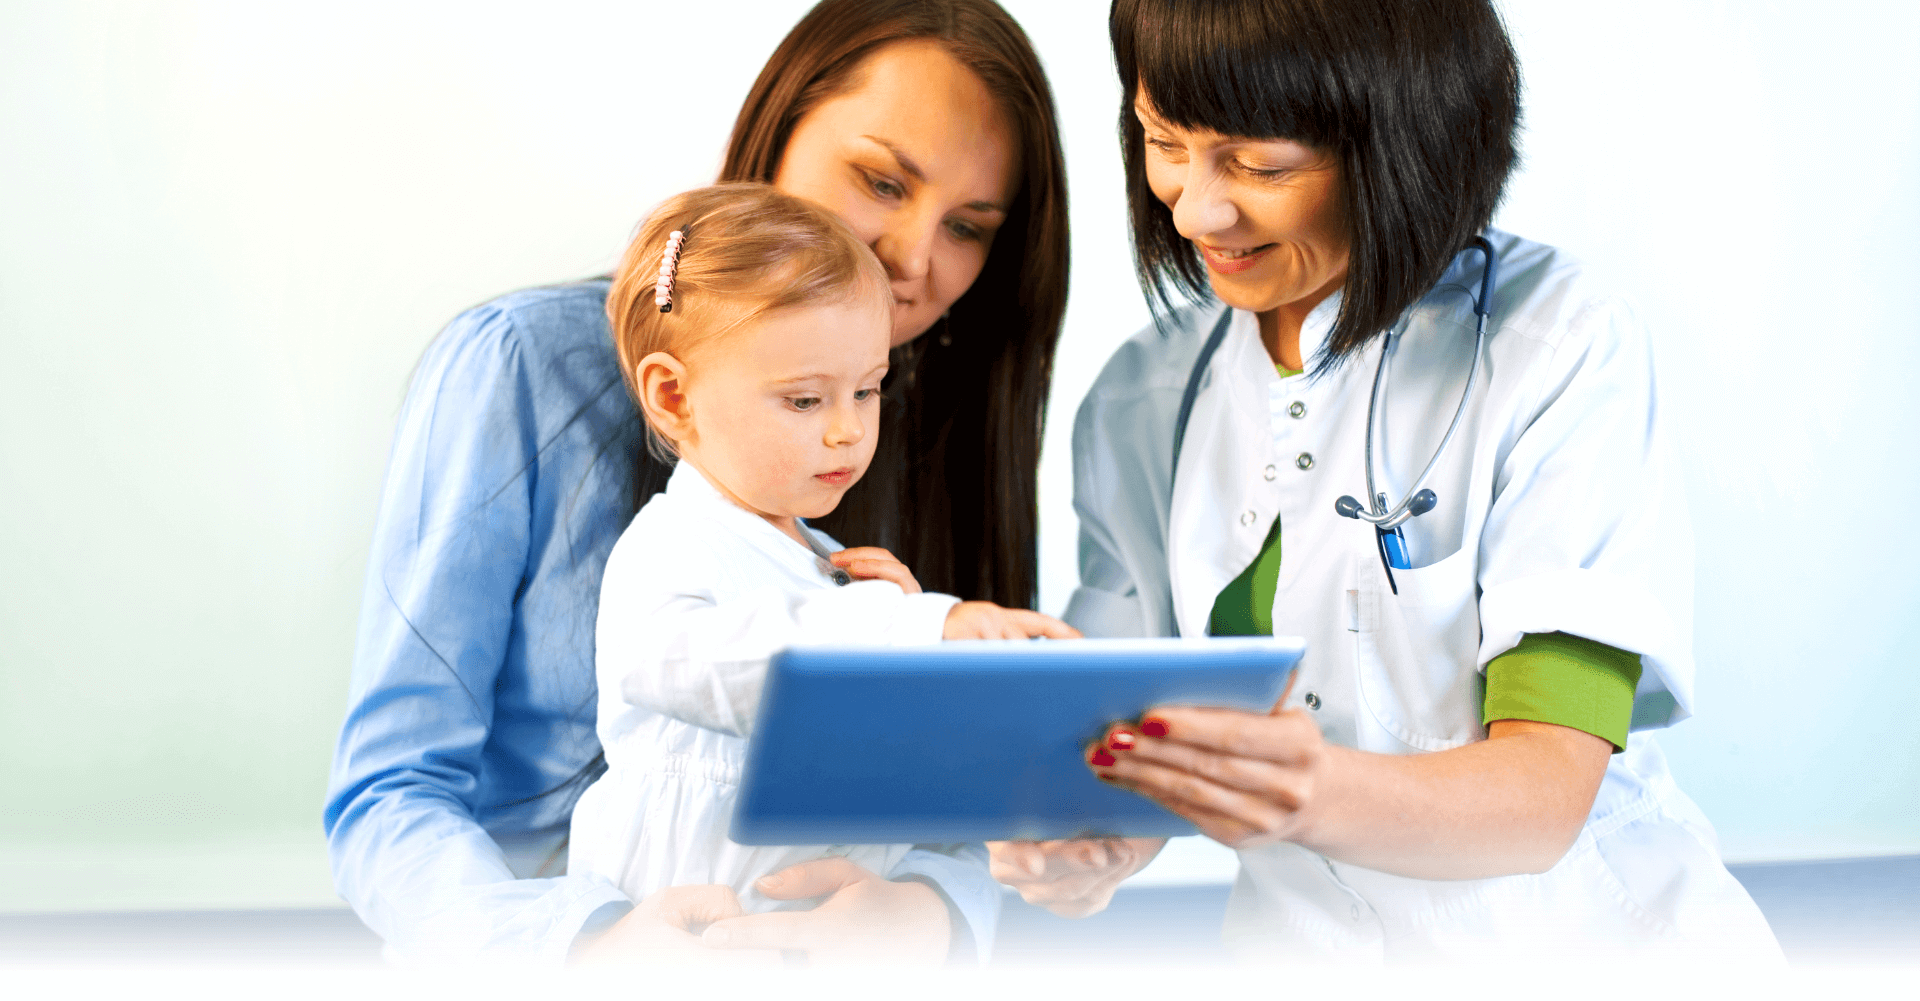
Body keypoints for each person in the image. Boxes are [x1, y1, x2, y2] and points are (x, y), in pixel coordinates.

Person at [323, 0, 1068, 964]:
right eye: (882, 180)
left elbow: (966, 810)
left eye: (968, 227)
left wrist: (932, 912)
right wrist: (584, 949)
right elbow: (392, 794)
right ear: (777, 129)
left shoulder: (910, 429)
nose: (912, 262)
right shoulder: (521, 366)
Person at [1046, 0, 1782, 961]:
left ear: (1404, 138)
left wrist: (1303, 789)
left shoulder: (1556, 346)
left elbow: (1541, 797)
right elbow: (1130, 745)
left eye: (1259, 165)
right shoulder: (1143, 396)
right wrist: (1084, 842)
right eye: (1163, 141)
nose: (1193, 208)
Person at [570, 183, 1075, 962]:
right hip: (703, 944)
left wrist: (904, 632)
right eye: (805, 399)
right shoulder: (670, 545)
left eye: (868, 388)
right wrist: (911, 628)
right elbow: (706, 663)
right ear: (674, 396)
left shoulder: (831, 562)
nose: (848, 429)